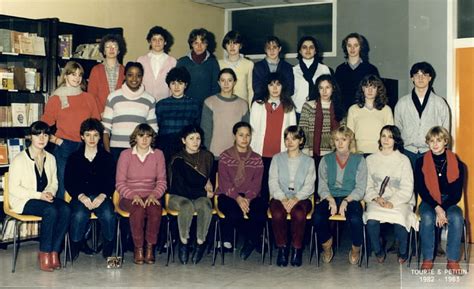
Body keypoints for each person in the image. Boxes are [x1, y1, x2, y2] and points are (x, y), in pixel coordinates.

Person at [8, 121, 71, 271]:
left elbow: (54, 182)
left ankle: (54, 251)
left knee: (66, 209)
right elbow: (14, 189)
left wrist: (49, 193)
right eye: (38, 134)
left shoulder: (51, 158)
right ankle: (44, 253)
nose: (42, 138)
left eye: (45, 134)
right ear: (30, 137)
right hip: (24, 200)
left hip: (44, 198)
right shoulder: (19, 159)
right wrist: (39, 195)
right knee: (50, 211)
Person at [41, 61, 101, 199]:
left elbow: (96, 124)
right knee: (61, 186)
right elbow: (42, 127)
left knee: (85, 187)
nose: (77, 77)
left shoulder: (89, 98)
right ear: (65, 76)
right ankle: (62, 218)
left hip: (86, 146)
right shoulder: (56, 98)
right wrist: (56, 140)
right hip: (64, 146)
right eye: (73, 74)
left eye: (80, 74)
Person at [313, 126, 367, 265]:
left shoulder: (359, 159)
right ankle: (327, 245)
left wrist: (346, 201)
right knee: (317, 216)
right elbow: (322, 185)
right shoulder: (325, 159)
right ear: (333, 142)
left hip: (351, 197)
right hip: (330, 196)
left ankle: (355, 249)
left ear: (350, 141)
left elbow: (360, 187)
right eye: (337, 139)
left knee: (355, 219)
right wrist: (330, 199)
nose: (340, 143)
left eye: (344, 139)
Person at [363, 125, 417, 264]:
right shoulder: (370, 160)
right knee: (371, 220)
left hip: (400, 200)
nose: (386, 140)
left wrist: (392, 201)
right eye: (383, 136)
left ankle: (403, 251)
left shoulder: (403, 160)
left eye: (390, 137)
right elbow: (367, 185)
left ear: (396, 140)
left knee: (400, 218)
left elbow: (407, 187)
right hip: (377, 200)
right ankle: (378, 250)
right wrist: (376, 198)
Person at [65, 118, 116, 260]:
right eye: (88, 135)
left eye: (95, 135)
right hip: (80, 197)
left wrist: (103, 195)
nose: (92, 139)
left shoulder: (107, 158)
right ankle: (75, 246)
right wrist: (81, 196)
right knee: (79, 215)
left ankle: (108, 250)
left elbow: (111, 181)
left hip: (101, 196)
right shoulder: (74, 158)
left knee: (108, 215)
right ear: (82, 136)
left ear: (100, 136)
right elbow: (69, 181)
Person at [415, 126, 464, 273]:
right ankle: (428, 259)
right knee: (428, 217)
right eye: (431, 141)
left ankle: (453, 260)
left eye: (439, 140)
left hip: (450, 201)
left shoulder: (457, 162)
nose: (435, 144)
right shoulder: (420, 162)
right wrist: (437, 208)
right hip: (428, 201)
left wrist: (443, 208)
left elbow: (456, 193)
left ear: (445, 142)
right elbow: (422, 190)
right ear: (427, 143)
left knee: (456, 216)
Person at [116, 124, 167, 265]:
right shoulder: (125, 155)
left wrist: (154, 195)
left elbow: (162, 181)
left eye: (148, 136)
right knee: (138, 210)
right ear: (135, 137)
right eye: (141, 135)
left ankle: (149, 248)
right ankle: (138, 248)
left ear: (152, 138)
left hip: (151, 195)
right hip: (129, 197)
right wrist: (134, 196)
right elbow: (120, 183)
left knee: (155, 210)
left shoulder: (158, 154)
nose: (145, 139)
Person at [216, 121, 266, 260]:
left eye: (248, 135)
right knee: (234, 212)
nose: (244, 139)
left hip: (251, 195)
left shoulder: (257, 158)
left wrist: (248, 199)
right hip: (228, 195)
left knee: (259, 211)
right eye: (241, 135)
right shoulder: (225, 156)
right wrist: (238, 198)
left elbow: (257, 184)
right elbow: (224, 182)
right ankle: (255, 239)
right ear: (235, 136)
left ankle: (250, 242)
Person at [269, 126, 315, 267]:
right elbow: (272, 181)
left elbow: (309, 185)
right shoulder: (277, 158)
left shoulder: (309, 161)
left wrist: (295, 199)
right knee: (277, 214)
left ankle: (297, 249)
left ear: (301, 141)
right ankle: (282, 249)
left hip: (302, 198)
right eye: (287, 138)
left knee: (299, 214)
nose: (290, 142)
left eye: (294, 138)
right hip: (279, 196)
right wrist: (283, 198)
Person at [168, 125, 214, 265]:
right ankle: (184, 243)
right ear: (183, 140)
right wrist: (204, 192)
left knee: (205, 205)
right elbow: (180, 188)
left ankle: (200, 242)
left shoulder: (207, 156)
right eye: (191, 138)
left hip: (198, 196)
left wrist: (209, 185)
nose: (195, 142)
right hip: (178, 197)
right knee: (186, 205)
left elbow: (210, 180)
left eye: (198, 138)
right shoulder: (178, 159)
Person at [250, 72, 296, 202]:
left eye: (278, 84)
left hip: (281, 156)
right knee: (262, 189)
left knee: (278, 189)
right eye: (271, 85)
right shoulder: (257, 105)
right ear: (266, 87)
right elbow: (252, 131)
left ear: (283, 87)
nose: (275, 88)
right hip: (260, 154)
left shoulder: (289, 106)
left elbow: (292, 134)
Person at [394, 62, 450, 168]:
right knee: (409, 184)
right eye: (417, 75)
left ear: (430, 78)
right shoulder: (402, 103)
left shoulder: (439, 103)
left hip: (431, 151)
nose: (420, 78)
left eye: (424, 75)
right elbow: (397, 128)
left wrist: (444, 154)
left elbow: (445, 130)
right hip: (407, 152)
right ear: (412, 78)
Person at [201, 68, 249, 185]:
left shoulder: (243, 104)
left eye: (229, 80)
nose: (226, 84)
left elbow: (245, 133)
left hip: (236, 156)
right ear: (218, 82)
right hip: (214, 155)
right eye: (223, 80)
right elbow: (206, 131)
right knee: (213, 191)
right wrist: (206, 156)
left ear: (235, 82)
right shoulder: (209, 102)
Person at [102, 62, 158, 162]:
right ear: (125, 76)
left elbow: (153, 129)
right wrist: (107, 153)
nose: (134, 79)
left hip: (140, 150)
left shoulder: (149, 100)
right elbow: (105, 129)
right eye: (130, 75)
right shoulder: (113, 97)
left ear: (142, 77)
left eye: (138, 75)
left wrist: (149, 150)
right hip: (116, 150)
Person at [155, 66, 201, 163]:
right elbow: (157, 128)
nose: (176, 87)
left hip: (186, 146)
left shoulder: (194, 105)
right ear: (169, 85)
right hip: (165, 145)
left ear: (185, 85)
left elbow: (197, 128)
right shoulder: (161, 105)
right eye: (173, 83)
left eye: (180, 83)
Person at [299, 74, 344, 159]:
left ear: (333, 89)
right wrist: (304, 153)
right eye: (321, 88)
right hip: (311, 154)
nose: (324, 91)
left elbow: (343, 132)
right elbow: (303, 131)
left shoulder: (339, 107)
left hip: (334, 153)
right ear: (317, 89)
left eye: (327, 87)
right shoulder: (308, 106)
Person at [347, 74, 394, 155]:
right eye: (367, 86)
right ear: (362, 88)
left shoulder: (386, 110)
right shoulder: (353, 109)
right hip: (359, 153)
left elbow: (390, 136)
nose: (370, 90)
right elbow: (349, 136)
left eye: (373, 87)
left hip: (379, 153)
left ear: (378, 90)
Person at [335, 33, 380, 113]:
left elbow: (378, 94)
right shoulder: (340, 70)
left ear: (360, 47)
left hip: (365, 111)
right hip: (345, 112)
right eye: (349, 45)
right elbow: (336, 95)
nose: (352, 48)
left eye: (356, 45)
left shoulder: (371, 69)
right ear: (345, 47)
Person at [176, 28, 220, 106]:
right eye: (196, 43)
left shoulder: (213, 62)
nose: (199, 46)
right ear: (191, 44)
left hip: (207, 106)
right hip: (186, 105)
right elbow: (177, 86)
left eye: (202, 43)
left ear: (207, 44)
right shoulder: (182, 62)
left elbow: (216, 88)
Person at [292, 36, 331, 119]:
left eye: (311, 47)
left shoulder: (324, 69)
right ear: (300, 50)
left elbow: (330, 92)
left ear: (315, 50)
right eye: (304, 47)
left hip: (319, 111)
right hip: (298, 112)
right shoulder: (293, 70)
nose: (308, 50)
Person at [88, 34, 127, 114]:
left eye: (114, 46)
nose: (111, 49)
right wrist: (101, 112)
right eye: (108, 47)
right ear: (104, 51)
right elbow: (91, 96)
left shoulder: (125, 70)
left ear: (119, 50)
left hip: (120, 114)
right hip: (101, 114)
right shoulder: (96, 70)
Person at [137, 26, 177, 102]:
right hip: (145, 103)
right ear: (149, 42)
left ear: (165, 42)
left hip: (166, 104)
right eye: (154, 39)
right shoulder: (141, 61)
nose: (157, 42)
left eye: (160, 39)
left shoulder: (172, 62)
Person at [252, 36, 294, 104]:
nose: (272, 51)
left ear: (279, 48)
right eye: (269, 48)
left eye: (274, 47)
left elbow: (290, 89)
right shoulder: (257, 67)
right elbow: (257, 89)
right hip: (262, 103)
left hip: (282, 103)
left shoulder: (287, 67)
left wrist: (277, 100)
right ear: (265, 50)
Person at [218, 30, 254, 105]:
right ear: (225, 46)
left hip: (242, 105)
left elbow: (251, 89)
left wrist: (250, 109)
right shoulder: (219, 64)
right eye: (228, 43)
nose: (232, 46)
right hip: (223, 104)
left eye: (235, 43)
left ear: (240, 45)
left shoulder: (249, 64)